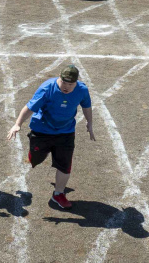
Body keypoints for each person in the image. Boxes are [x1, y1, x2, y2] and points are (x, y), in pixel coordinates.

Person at [7, 65, 94, 210]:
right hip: (42, 130)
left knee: (65, 165)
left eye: (70, 84)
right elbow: (29, 107)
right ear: (59, 78)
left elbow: (86, 106)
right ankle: (35, 153)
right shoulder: (47, 88)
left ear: (76, 82)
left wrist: (89, 123)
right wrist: (17, 124)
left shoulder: (82, 90)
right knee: (36, 159)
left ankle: (58, 193)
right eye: (63, 82)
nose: (66, 87)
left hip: (66, 132)